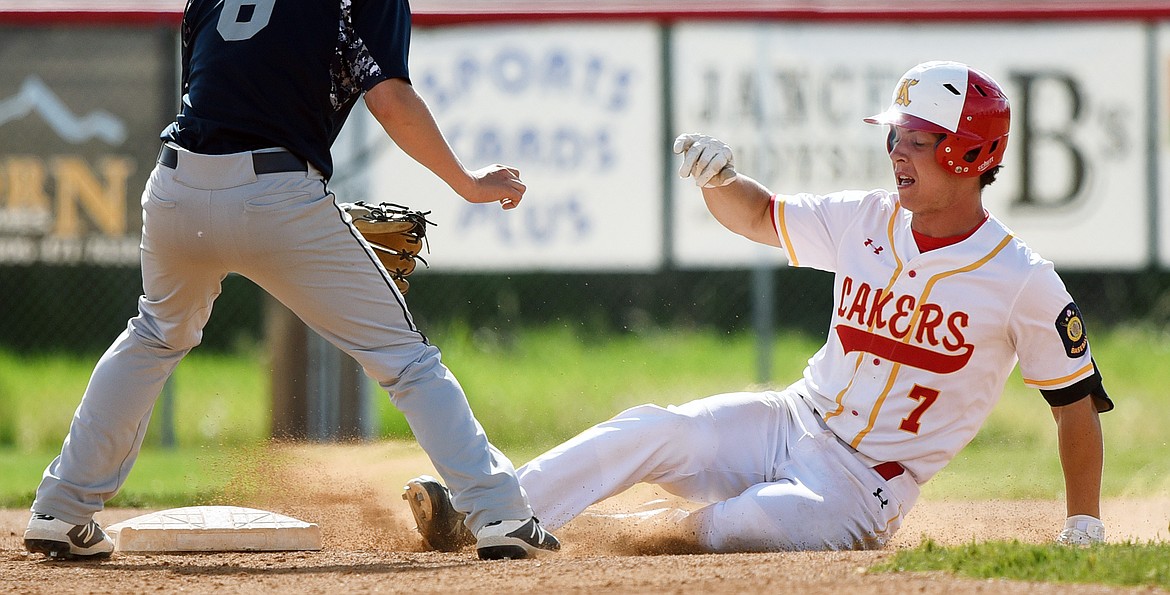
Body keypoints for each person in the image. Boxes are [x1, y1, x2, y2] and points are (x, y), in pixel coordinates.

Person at [24, 0, 558, 562]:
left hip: (175, 186)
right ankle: (500, 514)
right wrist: (466, 181)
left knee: (155, 333)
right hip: (276, 193)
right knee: (404, 359)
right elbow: (392, 99)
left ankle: (59, 506)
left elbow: (214, 92)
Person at [402, 60, 1111, 553]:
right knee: (652, 429)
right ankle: (485, 513)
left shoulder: (1021, 279)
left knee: (738, 525)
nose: (895, 151)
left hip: (863, 489)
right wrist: (720, 178)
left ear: (968, 152)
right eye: (891, 135)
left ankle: (633, 531)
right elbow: (760, 216)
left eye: (915, 140)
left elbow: (1073, 404)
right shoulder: (868, 217)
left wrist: (1084, 523)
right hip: (792, 418)